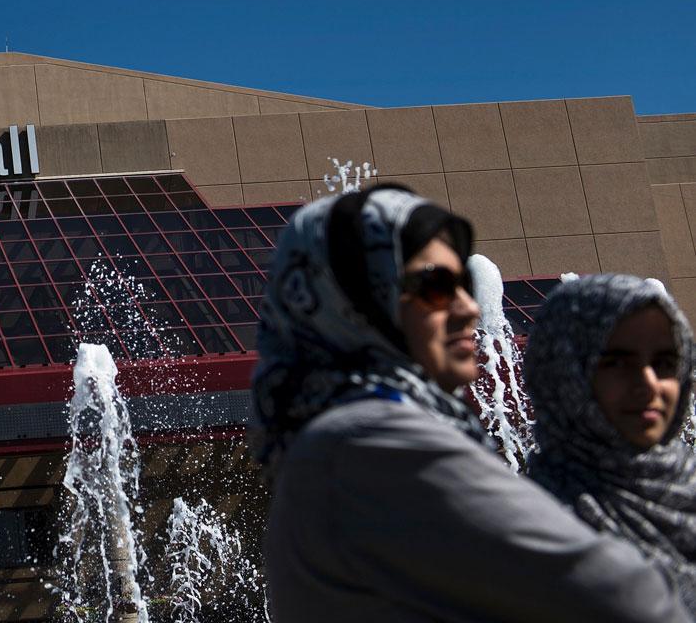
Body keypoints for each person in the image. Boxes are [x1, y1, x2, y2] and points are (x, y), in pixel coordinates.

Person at [252, 184, 690, 622]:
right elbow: (624, 596)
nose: (470, 308)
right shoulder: (376, 442)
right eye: (436, 287)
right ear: (355, 299)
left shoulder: (335, 437)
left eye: (462, 285)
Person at [524, 273, 696, 611]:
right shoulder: (537, 531)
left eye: (664, 363)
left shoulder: (685, 481)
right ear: (564, 371)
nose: (649, 385)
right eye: (616, 362)